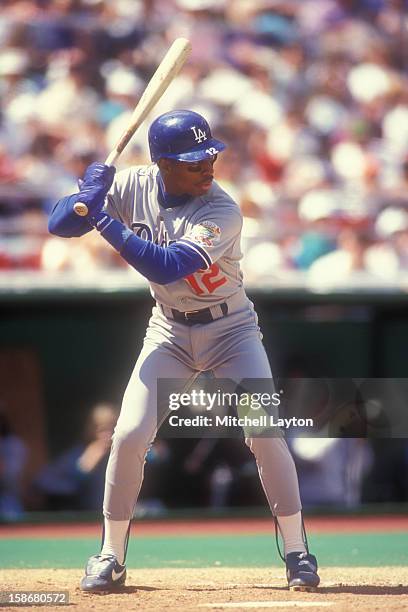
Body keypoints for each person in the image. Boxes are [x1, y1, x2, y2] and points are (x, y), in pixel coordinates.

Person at [48, 109, 320, 593]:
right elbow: (59, 226)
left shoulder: (222, 209)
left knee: (266, 433)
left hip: (231, 328)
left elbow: (168, 267)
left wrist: (102, 217)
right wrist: (81, 200)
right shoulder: (132, 184)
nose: (207, 167)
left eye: (209, 156)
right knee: (129, 434)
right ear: (163, 164)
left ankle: (298, 551)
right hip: (168, 330)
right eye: (193, 161)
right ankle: (110, 555)